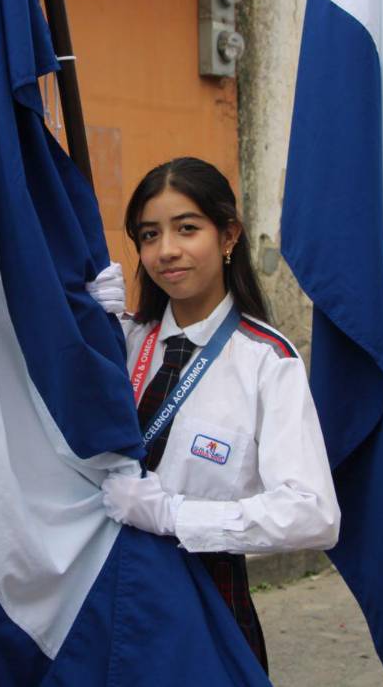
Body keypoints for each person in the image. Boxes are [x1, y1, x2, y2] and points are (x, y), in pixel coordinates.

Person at [90, 157, 340, 671]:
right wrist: (85, 330)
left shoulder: (265, 361)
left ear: (228, 237)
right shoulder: (127, 340)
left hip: (208, 599)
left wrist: (178, 515)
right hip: (113, 595)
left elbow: (313, 513)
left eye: (187, 229)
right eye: (149, 234)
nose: (167, 251)